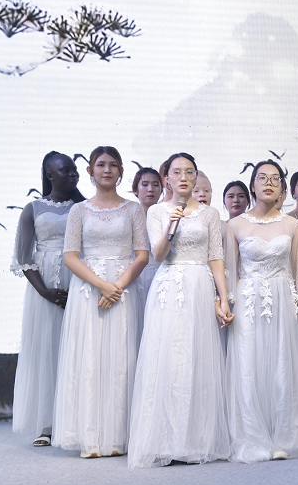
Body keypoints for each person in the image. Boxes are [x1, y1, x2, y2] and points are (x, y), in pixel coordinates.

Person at [128, 152, 233, 467]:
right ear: (167, 179)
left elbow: (216, 257)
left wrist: (223, 298)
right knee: (170, 357)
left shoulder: (210, 213)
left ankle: (197, 440)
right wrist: (172, 224)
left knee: (198, 356)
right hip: (170, 285)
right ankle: (165, 440)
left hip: (200, 284)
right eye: (176, 172)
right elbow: (159, 255)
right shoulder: (157, 211)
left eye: (189, 172)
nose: (183, 177)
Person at [52, 146, 149, 458]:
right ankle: (90, 437)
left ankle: (120, 437)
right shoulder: (79, 211)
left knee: (122, 358)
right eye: (101, 165)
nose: (107, 170)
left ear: (121, 171)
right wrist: (102, 285)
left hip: (124, 290)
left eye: (113, 165)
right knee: (90, 358)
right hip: (89, 290)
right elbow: (70, 256)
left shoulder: (133, 209)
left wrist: (116, 287)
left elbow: (142, 255)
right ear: (91, 170)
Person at [224, 160, 298, 462]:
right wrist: (226, 302)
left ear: (282, 188)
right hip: (248, 298)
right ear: (252, 185)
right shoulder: (235, 225)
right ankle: (252, 437)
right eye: (262, 178)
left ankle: (284, 437)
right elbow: (229, 271)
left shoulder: (293, 226)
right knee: (248, 364)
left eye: (275, 179)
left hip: (282, 298)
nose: (268, 183)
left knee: (282, 363)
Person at [11, 152, 83, 448]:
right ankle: (47, 424)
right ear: (49, 174)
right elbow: (23, 257)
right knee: (47, 352)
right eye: (65, 170)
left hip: (78, 281)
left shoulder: (83, 207)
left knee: (77, 349)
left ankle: (76, 419)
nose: (73, 174)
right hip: (44, 289)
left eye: (75, 169)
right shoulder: (33, 208)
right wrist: (44, 291)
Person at [132, 167, 164, 348]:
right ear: (135, 190)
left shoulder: (168, 216)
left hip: (161, 277)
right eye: (145, 185)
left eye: (155, 185)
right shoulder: (128, 216)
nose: (150, 189)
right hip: (133, 278)